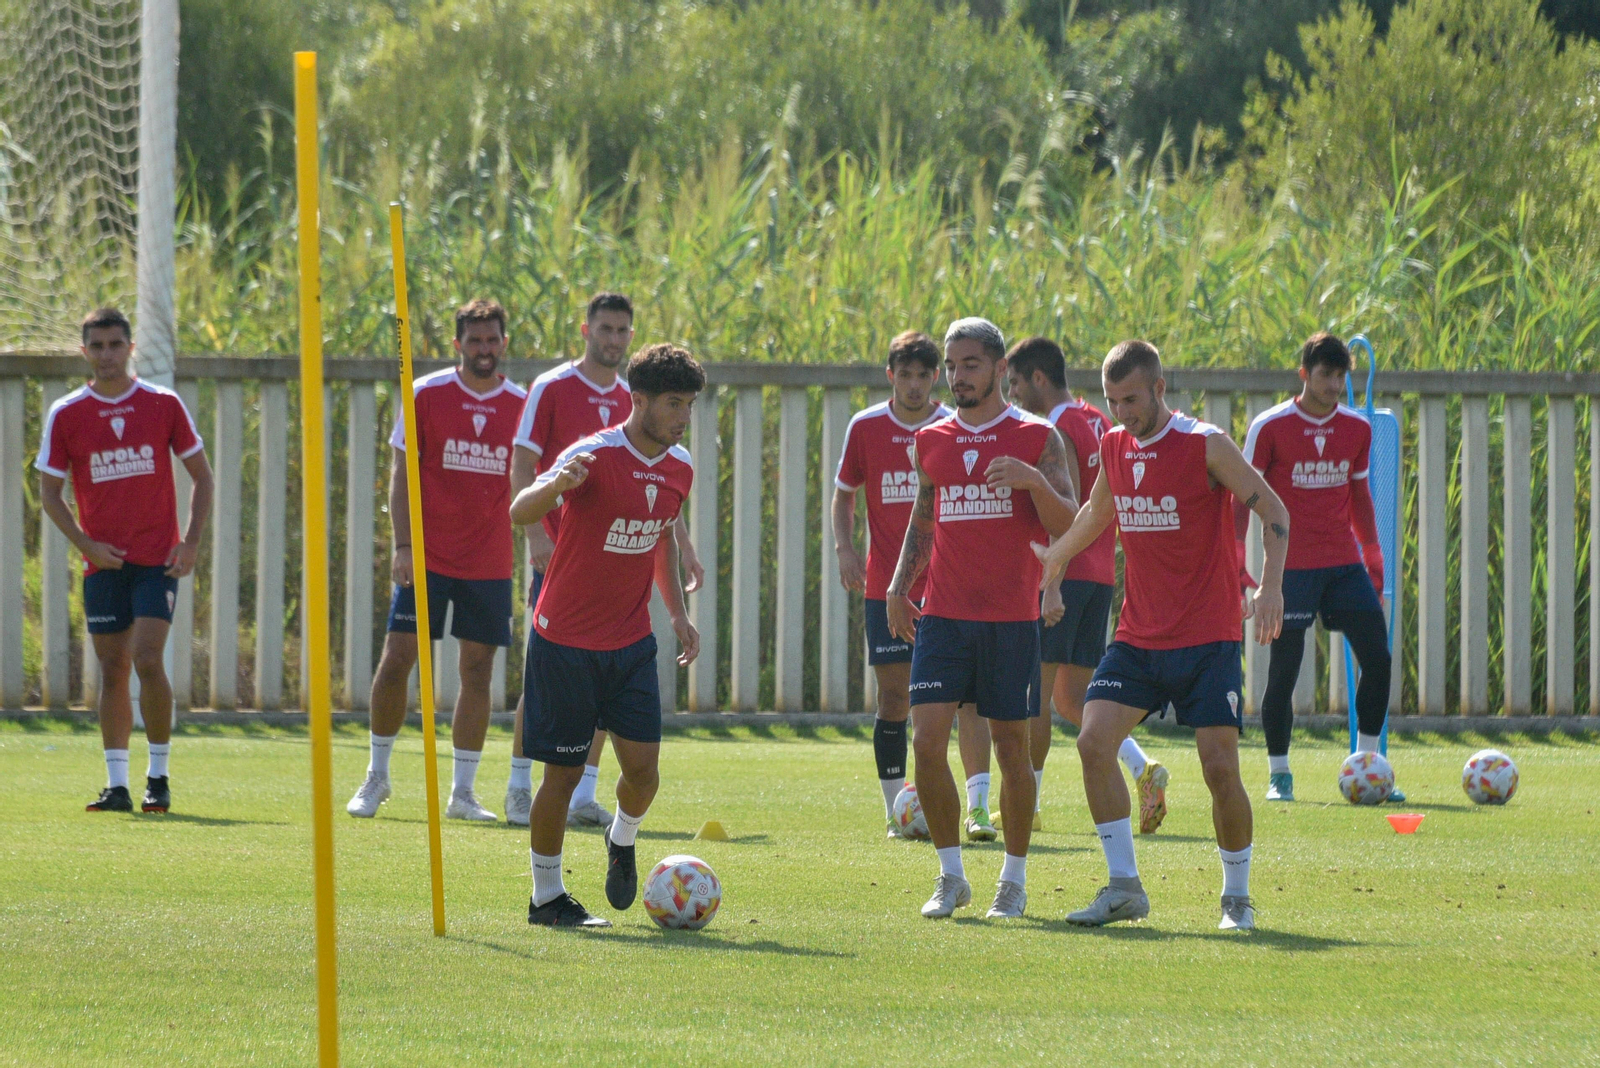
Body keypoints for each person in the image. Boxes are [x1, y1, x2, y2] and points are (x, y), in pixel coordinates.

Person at [1037, 340, 1288, 932]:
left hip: (1209, 637)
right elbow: (1097, 514)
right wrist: (1053, 561)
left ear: (1159, 387)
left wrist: (1272, 587)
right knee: (1093, 742)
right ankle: (1125, 888)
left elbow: (1275, 511)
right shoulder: (1113, 446)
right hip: (1141, 636)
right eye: (1111, 400)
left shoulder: (1205, 445)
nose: (1122, 411)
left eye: (1131, 399)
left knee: (1218, 766)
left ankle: (1236, 898)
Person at [886, 317, 1077, 920]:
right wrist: (898, 587)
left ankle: (1013, 882)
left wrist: (1029, 482)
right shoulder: (932, 439)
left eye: (970, 365)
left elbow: (1068, 523)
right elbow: (923, 517)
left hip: (1009, 620)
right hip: (942, 615)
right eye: (952, 364)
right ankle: (951, 876)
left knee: (1010, 751)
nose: (957, 375)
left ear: (999, 370)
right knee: (925, 741)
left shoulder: (1037, 436)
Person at [511, 343, 703, 927]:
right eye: (673, 403)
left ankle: (621, 841)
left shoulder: (680, 467)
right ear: (637, 400)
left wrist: (676, 617)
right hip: (565, 640)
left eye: (689, 405)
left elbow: (664, 539)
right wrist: (555, 485)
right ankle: (546, 897)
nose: (682, 416)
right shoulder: (591, 455)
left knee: (643, 771)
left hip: (630, 643)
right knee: (563, 777)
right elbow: (520, 510)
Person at [346, 300, 525, 822]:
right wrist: (403, 545)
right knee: (398, 657)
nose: (484, 349)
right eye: (475, 341)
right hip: (427, 557)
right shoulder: (424, 394)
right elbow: (400, 475)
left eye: (492, 340)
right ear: (458, 345)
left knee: (477, 670)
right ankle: (376, 776)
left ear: (504, 344)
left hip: (489, 560)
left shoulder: (520, 402)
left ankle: (463, 793)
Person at [37, 307, 214, 814]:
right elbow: (50, 493)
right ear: (84, 351)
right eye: (97, 346)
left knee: (148, 657)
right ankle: (117, 785)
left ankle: (157, 777)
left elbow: (202, 475)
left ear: (131, 348)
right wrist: (86, 545)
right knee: (112, 668)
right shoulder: (67, 413)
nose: (107, 354)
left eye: (116, 345)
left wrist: (192, 541)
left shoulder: (163, 404)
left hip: (156, 559)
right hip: (103, 564)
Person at [833, 330, 999, 842]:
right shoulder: (864, 427)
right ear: (890, 376)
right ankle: (895, 811)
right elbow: (843, 496)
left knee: (968, 699)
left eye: (924, 374)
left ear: (935, 378)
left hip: (948, 587)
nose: (913, 384)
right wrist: (844, 548)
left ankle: (977, 810)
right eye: (903, 374)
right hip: (887, 584)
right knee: (894, 699)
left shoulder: (951, 428)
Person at [1004, 336, 1169, 834]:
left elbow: (1067, 503)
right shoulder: (1099, 418)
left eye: (1013, 384)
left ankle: (1026, 804)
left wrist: (1050, 583)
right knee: (1072, 701)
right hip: (1097, 577)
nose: (1010, 396)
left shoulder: (1056, 426)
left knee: (1033, 694)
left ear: (1037, 379)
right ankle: (1143, 768)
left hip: (1066, 574)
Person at [1240, 333, 1396, 802]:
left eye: (1341, 376)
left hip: (1343, 564)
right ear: (1304, 374)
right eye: (1325, 375)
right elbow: (1241, 499)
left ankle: (1367, 765)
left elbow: (1359, 497)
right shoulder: (1269, 427)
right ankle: (1279, 773)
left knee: (1379, 659)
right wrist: (1237, 568)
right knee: (1285, 668)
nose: (1333, 385)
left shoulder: (1357, 429)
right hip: (1291, 568)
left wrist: (1372, 556)